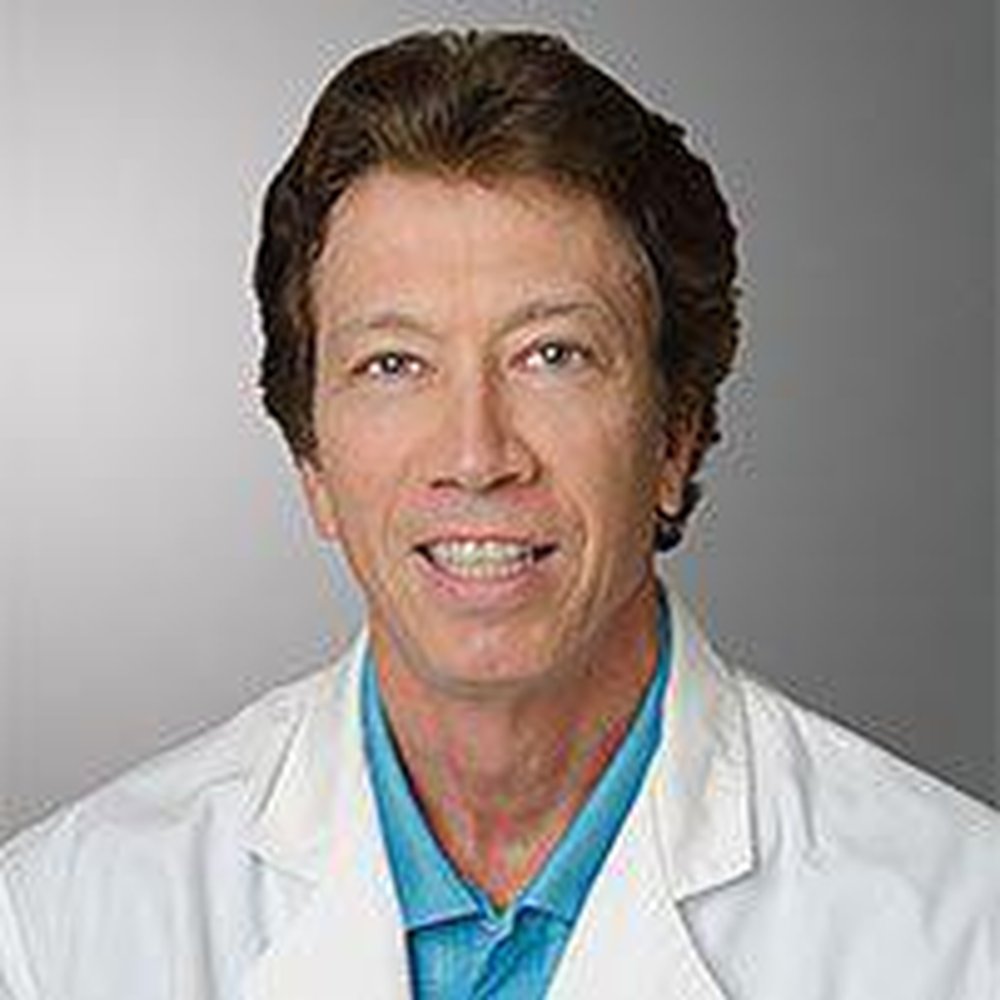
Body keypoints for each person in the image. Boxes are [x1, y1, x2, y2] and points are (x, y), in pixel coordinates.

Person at [1, 28, 997, 1000]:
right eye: (393, 364)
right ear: (312, 460)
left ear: (675, 434)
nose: (476, 456)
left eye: (552, 355)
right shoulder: (60, 928)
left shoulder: (961, 932)